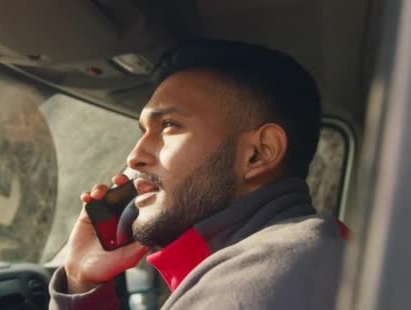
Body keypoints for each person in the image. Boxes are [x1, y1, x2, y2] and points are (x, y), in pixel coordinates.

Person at [49, 39, 348, 309]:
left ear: (259, 153)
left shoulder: (252, 283)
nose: (134, 157)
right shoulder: (307, 253)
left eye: (169, 126)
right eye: (143, 131)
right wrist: (81, 280)